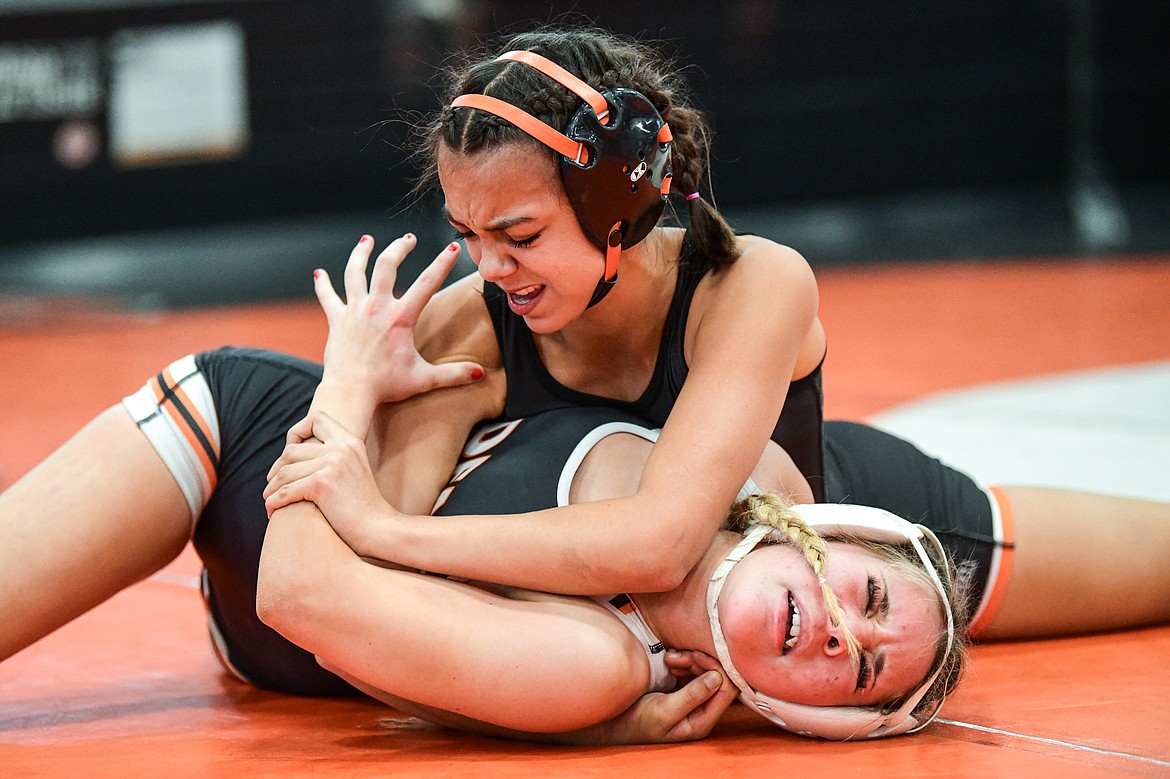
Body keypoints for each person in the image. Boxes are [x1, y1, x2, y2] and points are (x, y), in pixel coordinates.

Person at [0, 255, 967, 741]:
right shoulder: (764, 467)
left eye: (864, 676)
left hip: (293, 559)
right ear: (839, 536)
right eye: (871, 600)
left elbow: (299, 596)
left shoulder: (597, 669)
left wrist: (347, 390)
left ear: (809, 722)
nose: (847, 634)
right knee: (993, 559)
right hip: (243, 431)